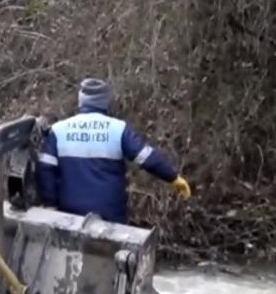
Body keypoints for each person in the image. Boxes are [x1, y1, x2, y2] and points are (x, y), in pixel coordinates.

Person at [36, 78, 190, 224]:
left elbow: (45, 169)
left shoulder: (58, 130)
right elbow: (147, 157)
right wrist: (174, 178)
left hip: (69, 215)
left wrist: (50, 204)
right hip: (110, 217)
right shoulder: (119, 129)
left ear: (80, 100)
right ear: (106, 101)